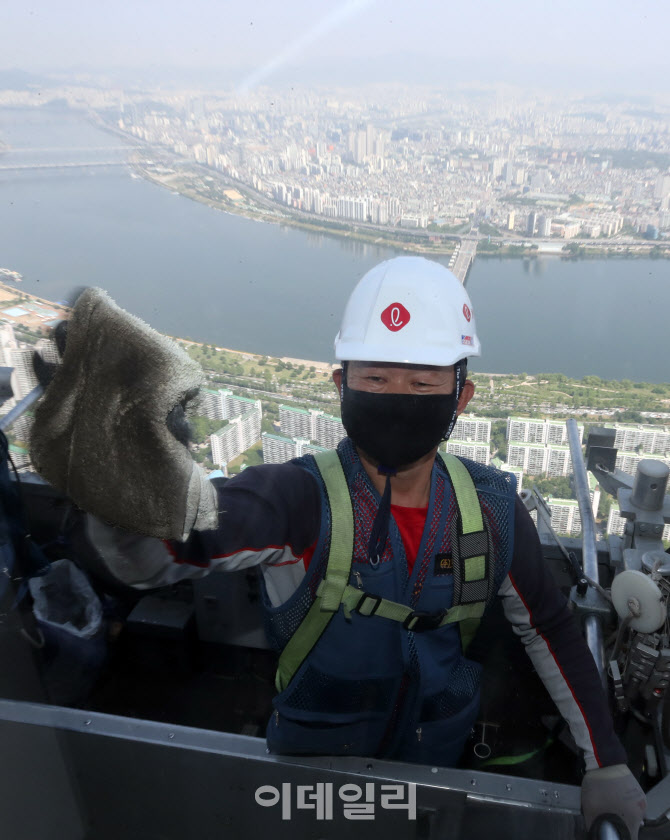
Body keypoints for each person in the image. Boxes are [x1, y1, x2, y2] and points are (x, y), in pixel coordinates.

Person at [31, 256, 646, 837]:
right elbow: (150, 560)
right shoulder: (298, 499)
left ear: (462, 396)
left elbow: (552, 629)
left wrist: (606, 761)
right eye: (375, 377)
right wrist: (121, 488)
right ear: (340, 384)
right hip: (313, 776)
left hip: (436, 761)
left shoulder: (489, 511)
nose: (397, 397)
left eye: (422, 380)